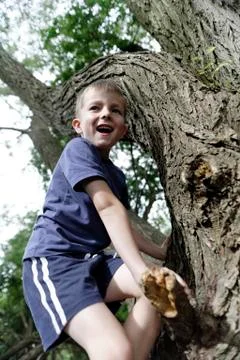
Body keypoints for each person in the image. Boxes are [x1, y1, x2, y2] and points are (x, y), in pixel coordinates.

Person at [22, 79, 182, 360]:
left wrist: (160, 252)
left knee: (160, 291)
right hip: (55, 263)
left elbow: (118, 227)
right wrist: (140, 271)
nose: (106, 113)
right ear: (78, 125)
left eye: (115, 110)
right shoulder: (77, 150)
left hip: (93, 261)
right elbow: (106, 207)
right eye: (95, 108)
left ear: (123, 129)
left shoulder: (117, 177)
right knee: (116, 348)